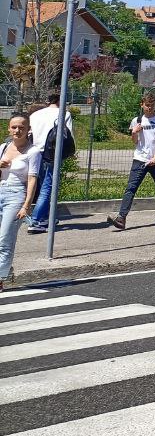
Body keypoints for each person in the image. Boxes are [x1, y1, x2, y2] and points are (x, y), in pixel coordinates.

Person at [106, 93, 155, 231]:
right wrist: (134, 132)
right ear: (142, 105)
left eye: (152, 105)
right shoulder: (137, 120)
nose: (150, 108)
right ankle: (121, 218)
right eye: (147, 105)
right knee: (131, 187)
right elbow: (135, 142)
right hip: (140, 159)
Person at [1, 113, 41, 290]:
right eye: (14, 127)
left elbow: (32, 179)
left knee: (4, 240)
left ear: (28, 130)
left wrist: (26, 205)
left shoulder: (33, 152)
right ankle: (5, 271)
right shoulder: (2, 147)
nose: (17, 130)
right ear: (9, 128)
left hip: (16, 197)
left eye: (22, 127)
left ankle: (1, 278)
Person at [25, 91, 72, 234]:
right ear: (61, 101)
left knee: (39, 186)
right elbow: (68, 135)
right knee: (48, 187)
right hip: (52, 154)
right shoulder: (64, 114)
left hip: (34, 152)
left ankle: (45, 217)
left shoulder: (35, 115)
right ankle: (36, 220)